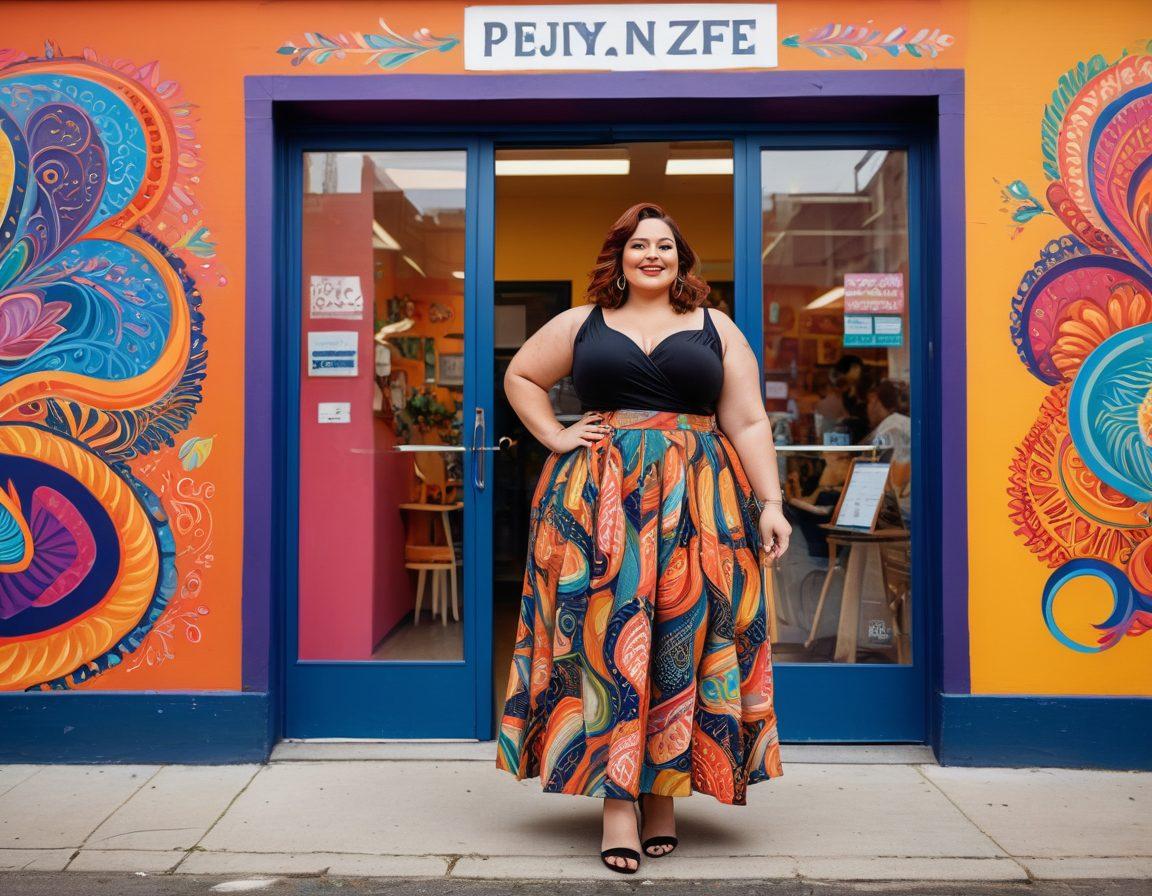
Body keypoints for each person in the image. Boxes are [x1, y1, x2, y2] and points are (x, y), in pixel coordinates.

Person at [495, 202, 790, 874]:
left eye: (663, 245)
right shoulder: (582, 323)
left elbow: (747, 421)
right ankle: (618, 805)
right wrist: (555, 434)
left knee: (683, 638)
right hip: (598, 503)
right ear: (619, 257)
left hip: (699, 503)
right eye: (638, 245)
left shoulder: (716, 327)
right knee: (605, 640)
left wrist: (771, 503)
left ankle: (664, 794)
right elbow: (521, 376)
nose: (651, 254)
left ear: (681, 259)